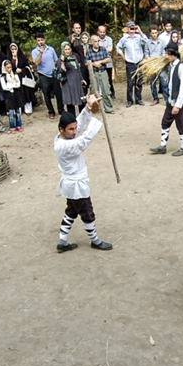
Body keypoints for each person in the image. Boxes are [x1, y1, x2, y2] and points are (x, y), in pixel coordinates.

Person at [54, 96, 113, 253]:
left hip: (72, 184)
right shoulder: (65, 146)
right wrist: (94, 115)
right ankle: (95, 241)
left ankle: (62, 241)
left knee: (71, 211)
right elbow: (85, 139)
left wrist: (88, 107)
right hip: (76, 185)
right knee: (87, 212)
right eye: (71, 129)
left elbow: (78, 125)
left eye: (74, 129)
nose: (74, 132)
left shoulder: (63, 136)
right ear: (61, 129)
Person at [150, 43, 183, 157]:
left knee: (181, 124)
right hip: (171, 100)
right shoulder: (171, 66)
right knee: (165, 122)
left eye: (168, 54)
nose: (166, 56)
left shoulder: (181, 67)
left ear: (174, 54)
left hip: (178, 102)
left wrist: (177, 105)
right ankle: (162, 146)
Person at [32, 33, 62, 118]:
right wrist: (40, 53)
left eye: (42, 40)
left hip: (53, 74)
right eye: (38, 40)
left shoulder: (51, 49)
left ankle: (61, 110)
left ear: (44, 40)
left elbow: (56, 60)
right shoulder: (35, 51)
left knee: (58, 93)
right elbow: (37, 63)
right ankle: (51, 111)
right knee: (46, 94)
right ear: (36, 41)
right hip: (43, 75)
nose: (40, 42)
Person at [117, 21, 146, 107]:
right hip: (130, 64)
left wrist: (140, 31)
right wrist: (123, 56)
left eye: (133, 27)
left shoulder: (139, 37)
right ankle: (130, 100)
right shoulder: (124, 39)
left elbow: (146, 41)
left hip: (139, 62)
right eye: (130, 28)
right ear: (127, 29)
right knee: (130, 83)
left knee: (139, 82)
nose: (132, 29)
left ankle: (138, 99)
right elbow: (118, 47)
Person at [84, 35, 115, 114]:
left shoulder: (103, 49)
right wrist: (94, 64)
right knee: (93, 92)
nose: (97, 43)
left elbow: (108, 59)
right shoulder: (89, 51)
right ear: (92, 42)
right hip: (94, 73)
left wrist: (100, 62)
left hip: (103, 72)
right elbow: (86, 62)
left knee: (106, 90)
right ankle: (94, 109)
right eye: (95, 41)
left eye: (98, 41)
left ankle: (109, 108)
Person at [58, 41, 86, 114]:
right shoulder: (61, 59)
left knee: (81, 100)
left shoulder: (73, 57)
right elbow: (61, 72)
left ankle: (82, 118)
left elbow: (78, 69)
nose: (67, 51)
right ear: (63, 50)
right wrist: (63, 61)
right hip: (68, 83)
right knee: (70, 103)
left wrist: (82, 79)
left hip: (76, 82)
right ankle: (72, 120)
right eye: (66, 49)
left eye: (69, 49)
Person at [7, 43, 35, 115]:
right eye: (12, 49)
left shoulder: (22, 57)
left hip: (23, 78)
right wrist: (13, 58)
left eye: (15, 49)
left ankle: (28, 109)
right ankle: (18, 109)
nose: (14, 51)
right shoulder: (9, 58)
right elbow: (8, 67)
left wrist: (22, 70)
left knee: (26, 93)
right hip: (14, 79)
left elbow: (27, 67)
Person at [144, 26, 168, 105]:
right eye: (152, 33)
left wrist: (160, 59)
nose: (154, 34)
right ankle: (155, 99)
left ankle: (167, 100)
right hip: (151, 66)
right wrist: (149, 60)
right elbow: (146, 53)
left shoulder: (162, 42)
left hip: (161, 65)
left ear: (158, 32)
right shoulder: (147, 43)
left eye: (155, 33)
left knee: (164, 83)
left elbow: (164, 52)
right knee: (153, 83)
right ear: (150, 33)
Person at [0, 60, 23, 133]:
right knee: (11, 112)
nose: (9, 69)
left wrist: (11, 85)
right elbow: (4, 87)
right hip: (8, 96)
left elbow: (18, 84)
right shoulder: (2, 76)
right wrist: (12, 85)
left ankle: (19, 125)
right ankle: (12, 126)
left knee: (18, 111)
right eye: (7, 68)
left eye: (10, 67)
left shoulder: (14, 74)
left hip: (16, 94)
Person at [97, 25, 116, 99]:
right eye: (100, 32)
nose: (102, 33)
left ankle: (112, 92)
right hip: (99, 63)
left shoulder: (109, 39)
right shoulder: (96, 39)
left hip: (108, 63)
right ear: (98, 32)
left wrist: (99, 49)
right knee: (99, 79)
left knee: (109, 79)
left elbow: (110, 49)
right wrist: (105, 50)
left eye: (103, 32)